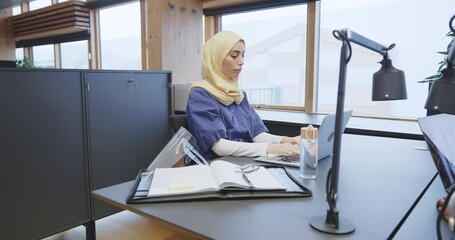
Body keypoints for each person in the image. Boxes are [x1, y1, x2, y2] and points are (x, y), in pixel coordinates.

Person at [186, 31, 300, 161]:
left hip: (244, 161)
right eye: (234, 56)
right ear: (216, 58)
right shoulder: (200, 95)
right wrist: (269, 149)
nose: (241, 61)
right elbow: (219, 147)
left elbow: (256, 135)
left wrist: (285, 141)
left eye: (242, 55)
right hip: (219, 164)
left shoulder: (238, 94)